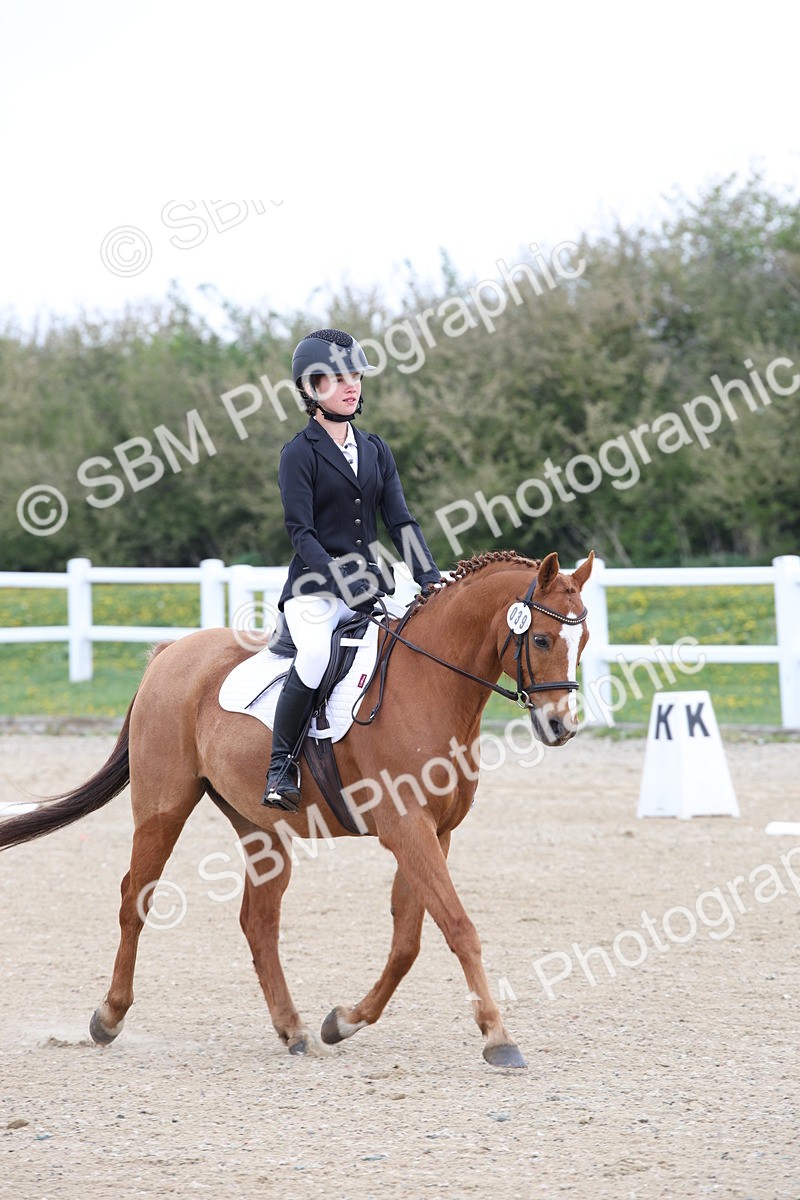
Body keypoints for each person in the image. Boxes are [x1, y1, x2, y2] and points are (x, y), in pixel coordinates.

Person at [262, 328, 442, 812]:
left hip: (373, 585)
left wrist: (430, 578)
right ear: (311, 388)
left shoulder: (376, 449)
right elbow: (301, 533)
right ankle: (281, 766)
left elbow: (400, 521)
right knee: (316, 657)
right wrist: (345, 582)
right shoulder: (299, 454)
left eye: (355, 375)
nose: (352, 385)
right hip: (315, 590)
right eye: (339, 377)